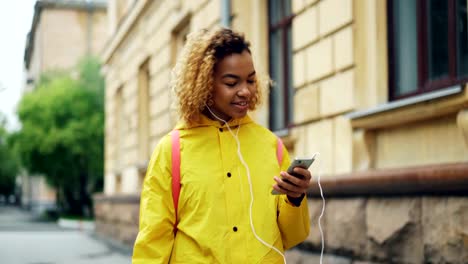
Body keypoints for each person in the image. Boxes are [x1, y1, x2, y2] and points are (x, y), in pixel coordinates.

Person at [132, 28, 311, 264]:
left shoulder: (271, 146)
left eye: (250, 80)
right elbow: (152, 243)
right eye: (231, 82)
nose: (245, 91)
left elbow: (292, 235)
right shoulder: (172, 151)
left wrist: (295, 198)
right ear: (204, 83)